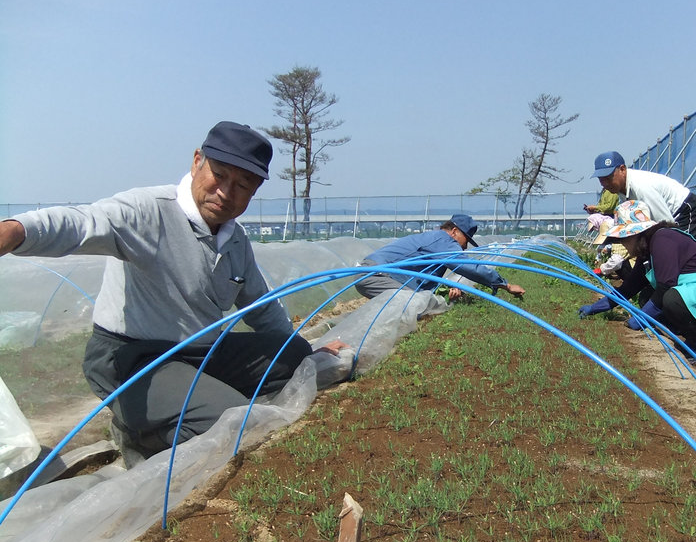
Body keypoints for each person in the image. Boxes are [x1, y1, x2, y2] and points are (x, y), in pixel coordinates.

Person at [0, 121, 343, 460]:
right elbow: (83, 222)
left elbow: (261, 306)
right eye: (219, 175)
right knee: (232, 421)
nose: (226, 192)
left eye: (243, 185)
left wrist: (311, 349)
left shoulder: (234, 240)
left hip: (201, 352)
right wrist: (17, 231)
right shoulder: (149, 211)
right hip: (135, 358)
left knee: (294, 354)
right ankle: (141, 434)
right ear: (197, 161)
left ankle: (186, 404)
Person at [578, 200, 696, 362]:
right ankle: (686, 334)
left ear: (636, 234)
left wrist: (640, 319)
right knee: (647, 296)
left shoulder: (662, 239)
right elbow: (628, 288)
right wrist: (595, 308)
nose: (622, 244)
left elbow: (666, 287)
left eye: (623, 238)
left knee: (671, 299)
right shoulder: (647, 250)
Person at [354, 214, 526, 301]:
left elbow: (422, 279)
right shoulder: (443, 239)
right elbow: (466, 266)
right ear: (454, 231)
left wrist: (445, 290)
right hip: (375, 274)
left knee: (416, 304)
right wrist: (505, 285)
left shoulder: (435, 240)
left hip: (377, 273)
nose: (464, 247)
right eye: (465, 240)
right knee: (415, 305)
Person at [591, 151, 696, 237]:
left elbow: (664, 223)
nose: (605, 183)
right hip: (670, 216)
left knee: (680, 249)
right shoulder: (621, 188)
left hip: (685, 208)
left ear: (622, 169)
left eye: (609, 178)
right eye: (601, 179)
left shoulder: (641, 187)